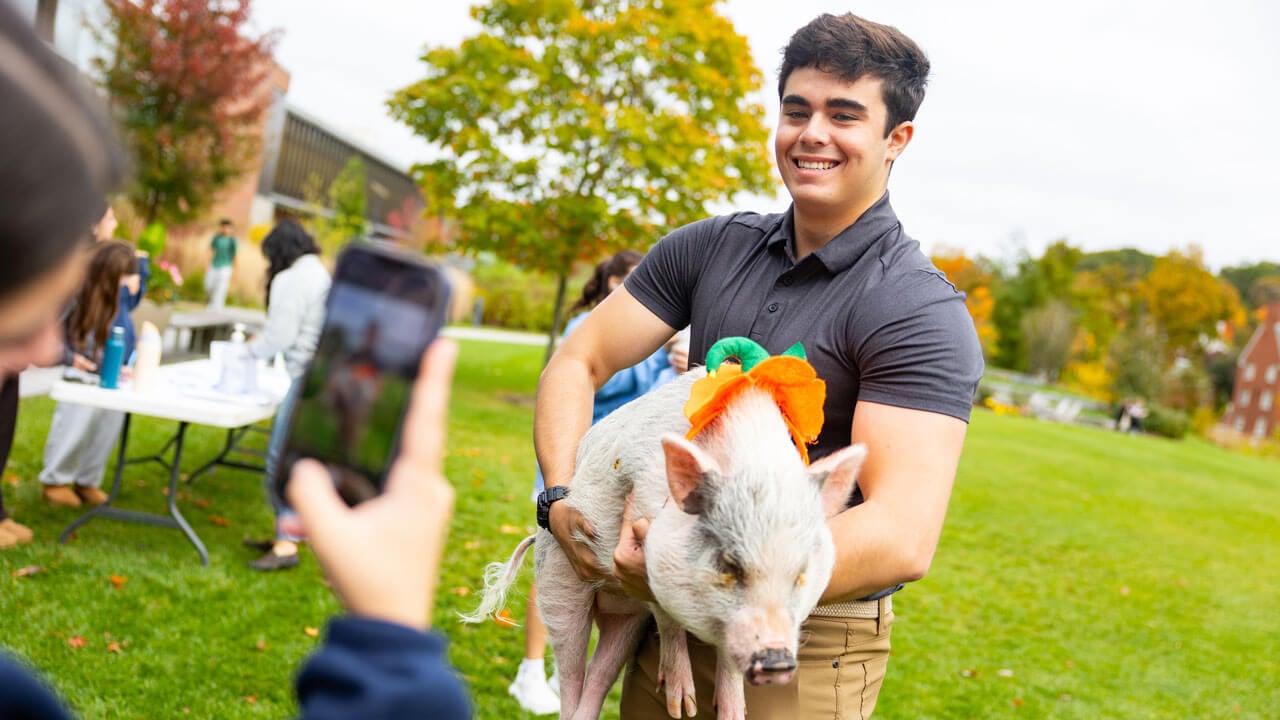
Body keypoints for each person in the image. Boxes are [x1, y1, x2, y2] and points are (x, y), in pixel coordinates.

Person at [0, 7, 470, 715]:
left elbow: (279, 338)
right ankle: (287, 538)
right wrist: (392, 650)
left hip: (295, 378)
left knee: (299, 471)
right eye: (25, 317)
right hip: (302, 382)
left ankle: (286, 538)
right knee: (302, 473)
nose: (44, 348)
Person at [535, 12, 984, 719]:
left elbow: (902, 535)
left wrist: (710, 571)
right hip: (670, 626)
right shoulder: (708, 248)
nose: (812, 133)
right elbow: (577, 361)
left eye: (845, 115)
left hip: (802, 644)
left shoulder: (917, 308)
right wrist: (558, 497)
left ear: (897, 139)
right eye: (796, 109)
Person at [510, 250, 682, 715]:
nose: (630, 288)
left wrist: (678, 366)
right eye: (623, 279)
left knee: (610, 578)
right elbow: (596, 380)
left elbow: (656, 403)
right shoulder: (587, 330)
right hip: (571, 465)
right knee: (558, 562)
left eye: (636, 280)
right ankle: (530, 669)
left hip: (617, 476)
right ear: (605, 282)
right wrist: (658, 362)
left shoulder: (654, 341)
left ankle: (559, 673)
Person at [243, 219, 332, 571]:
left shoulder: (290, 278)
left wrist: (249, 351)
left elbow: (279, 337)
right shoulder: (319, 272)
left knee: (281, 460)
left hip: (306, 380)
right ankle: (288, 534)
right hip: (324, 380)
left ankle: (285, 546)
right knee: (301, 459)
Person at [38, 240, 146, 507]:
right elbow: (50, 333)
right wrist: (70, 358)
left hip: (106, 373)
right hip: (79, 373)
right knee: (75, 423)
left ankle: (88, 480)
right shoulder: (76, 293)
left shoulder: (114, 294)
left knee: (108, 424)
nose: (125, 285)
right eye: (122, 278)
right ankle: (55, 479)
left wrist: (113, 365)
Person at [205, 218, 237, 310]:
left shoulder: (232, 241)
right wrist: (207, 263)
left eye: (228, 228)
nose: (226, 230)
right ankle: (212, 303)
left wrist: (235, 271)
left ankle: (218, 307)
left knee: (221, 287)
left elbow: (235, 256)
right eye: (224, 227)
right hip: (214, 265)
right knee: (209, 285)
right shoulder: (217, 238)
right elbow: (211, 250)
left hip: (226, 266)